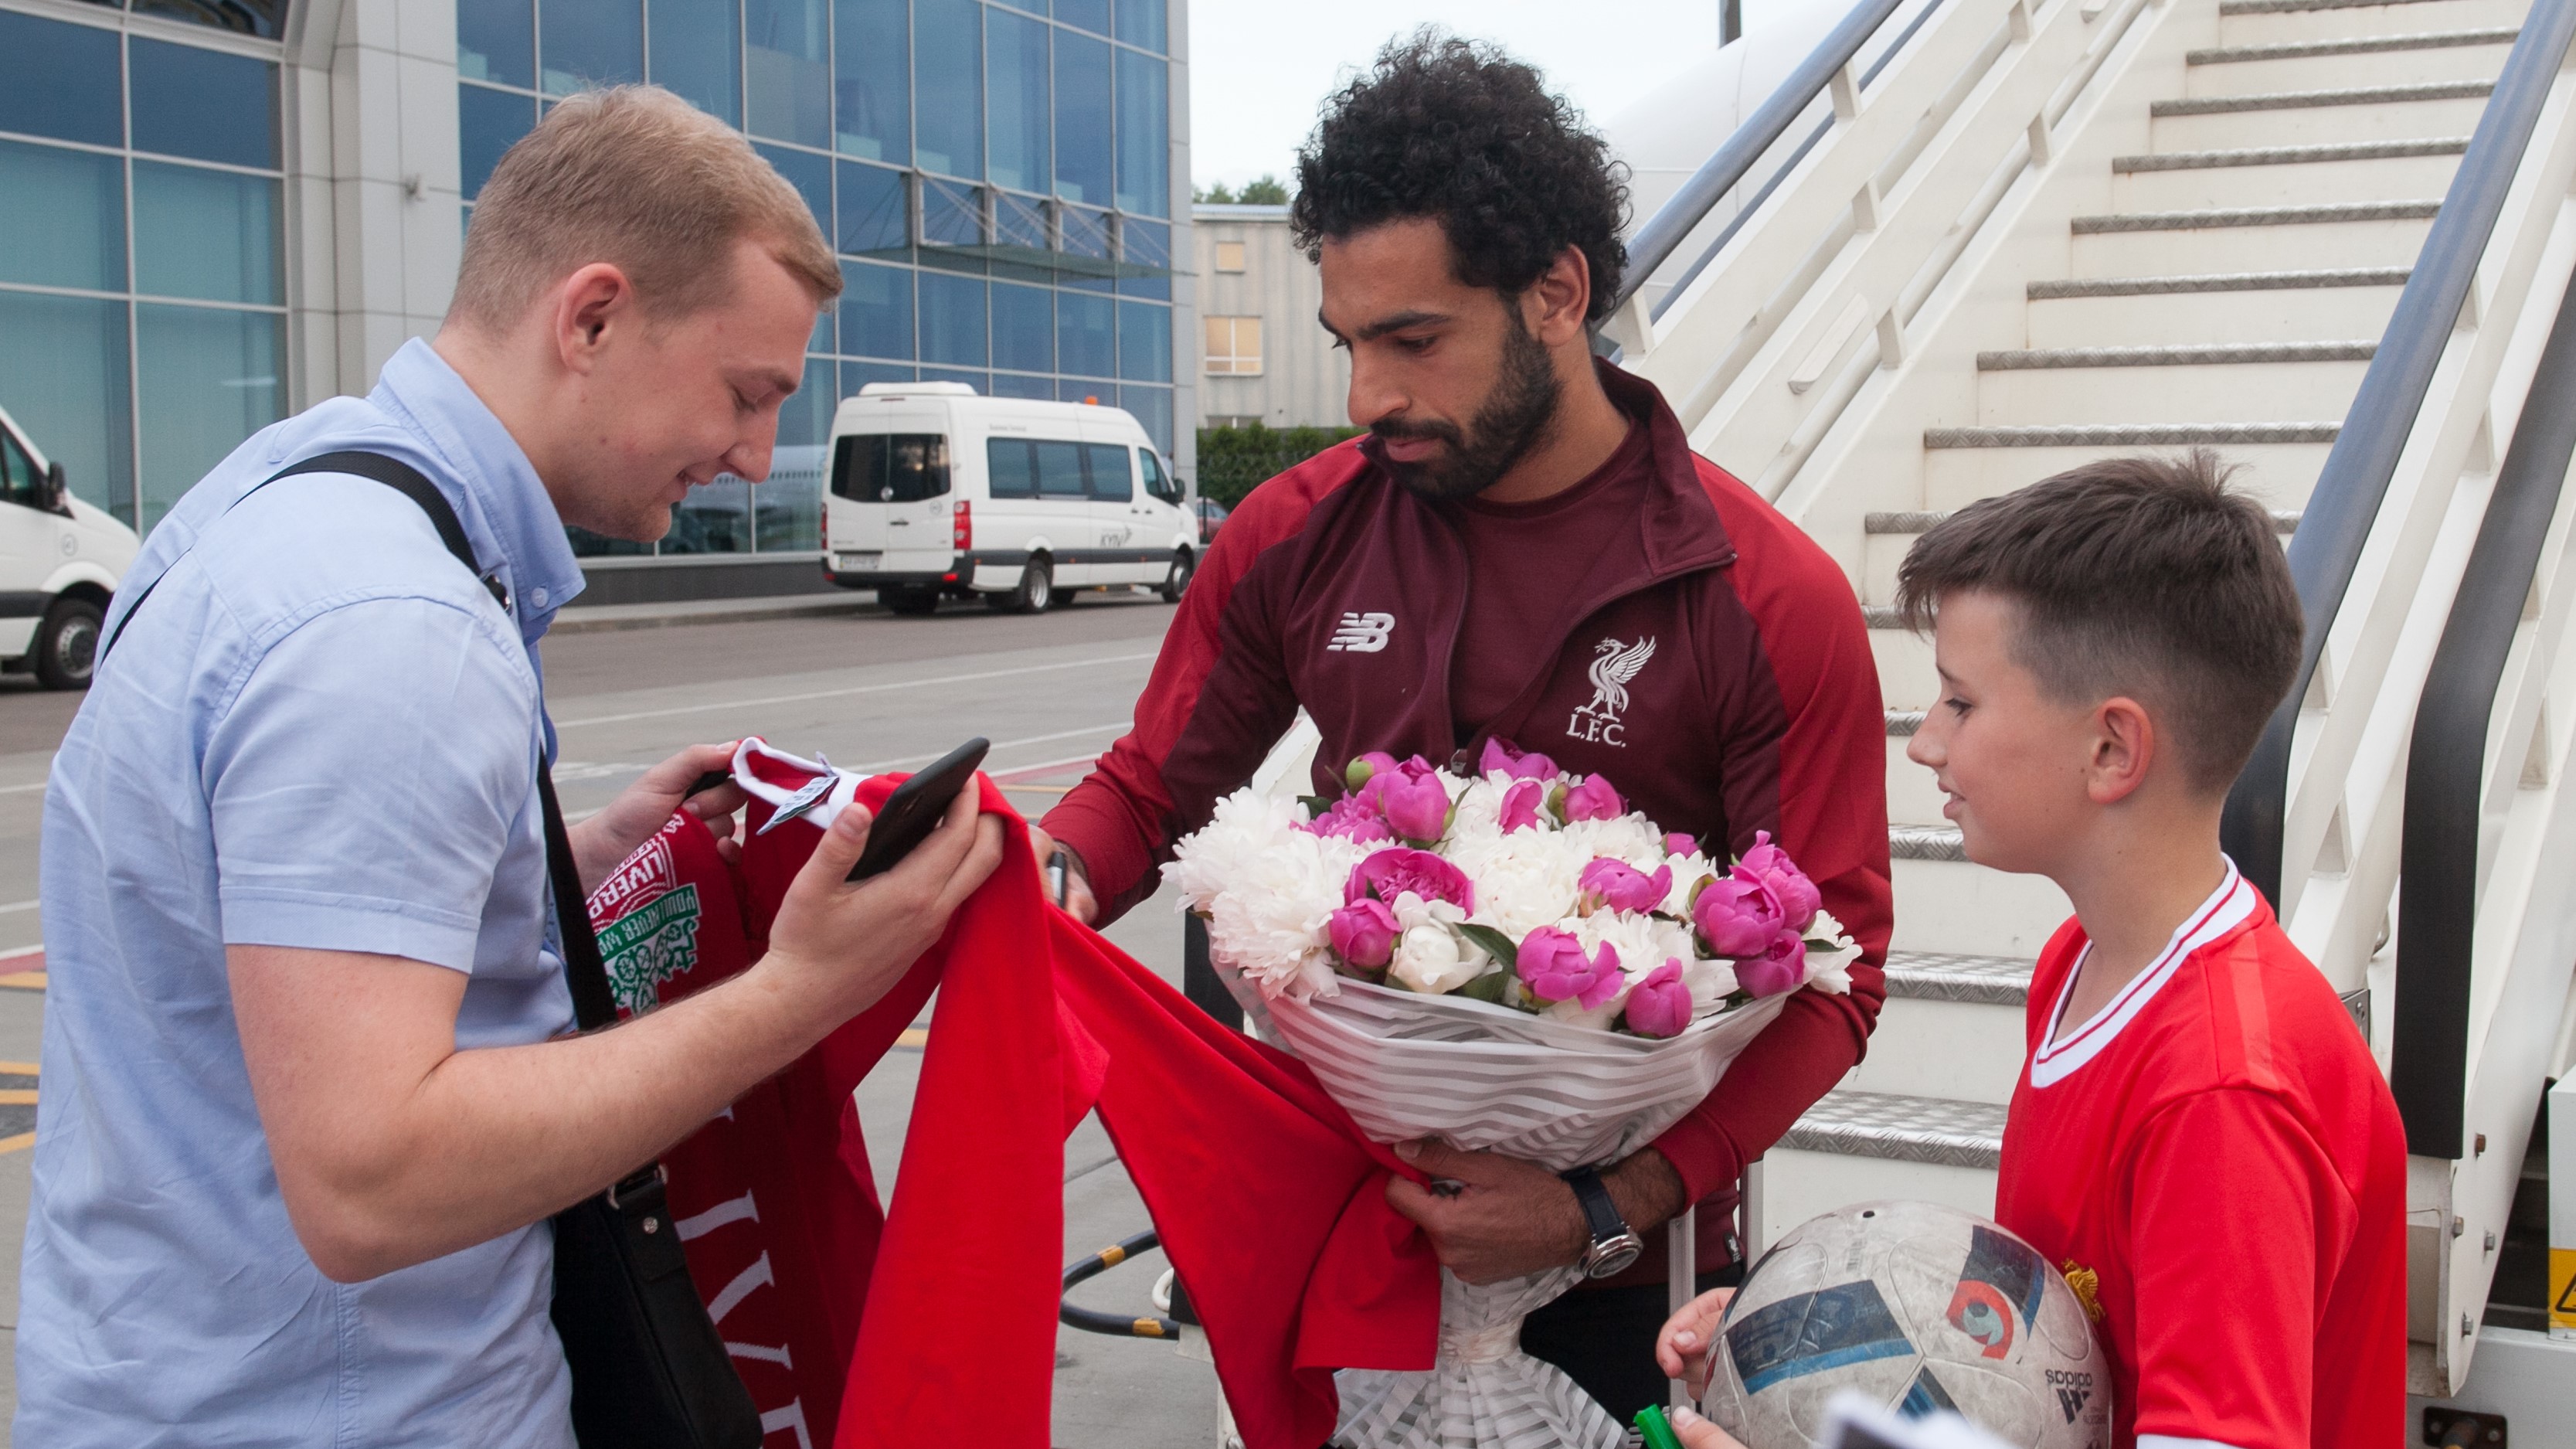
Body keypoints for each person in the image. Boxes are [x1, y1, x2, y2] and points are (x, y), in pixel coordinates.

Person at [21, 87, 1004, 1445]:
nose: (753, 456)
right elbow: (375, 1179)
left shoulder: (280, 497)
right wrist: (800, 991)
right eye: (746, 392)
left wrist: (557, 859)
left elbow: (233, 915)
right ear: (591, 317)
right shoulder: (394, 629)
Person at [1031, 33, 1892, 1417]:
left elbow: (1837, 978)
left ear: (1558, 291)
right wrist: (1050, 882)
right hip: (1326, 1233)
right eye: (1350, 344)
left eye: (1413, 340)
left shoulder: (1763, 597)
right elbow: (1149, 792)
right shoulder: (1290, 535)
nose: (1367, 396)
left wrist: (1596, 1208)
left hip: (1624, 1279)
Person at [1657, 452, 2407, 1447]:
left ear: (2111, 751)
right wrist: (1805, 1356)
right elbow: (2055, 1352)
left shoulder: (2223, 1095)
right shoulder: (2080, 964)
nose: (1925, 743)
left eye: (1961, 703)